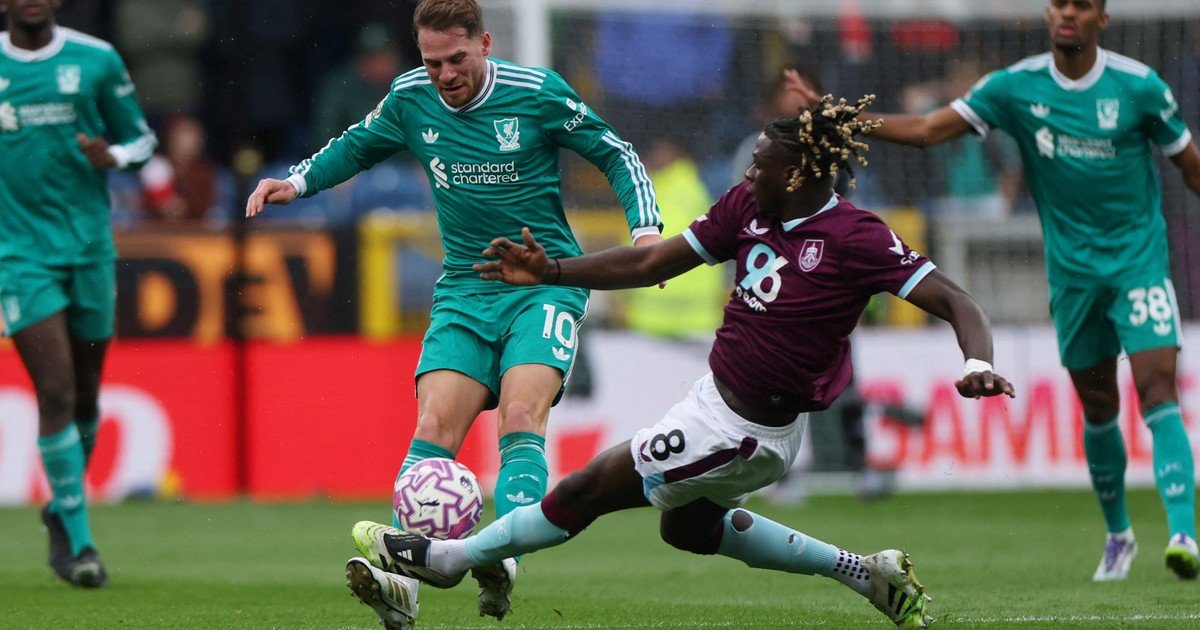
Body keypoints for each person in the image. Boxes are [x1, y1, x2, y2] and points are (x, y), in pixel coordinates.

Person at [348, 94, 1016, 629]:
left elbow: (957, 300)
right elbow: (648, 261)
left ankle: (449, 559)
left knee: (590, 488)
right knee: (688, 528)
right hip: (716, 404)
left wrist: (975, 361)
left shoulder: (856, 236)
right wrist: (553, 268)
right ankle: (867, 573)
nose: (748, 172)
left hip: (745, 432)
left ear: (803, 172)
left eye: (762, 162)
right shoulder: (749, 207)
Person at [244, 0, 662, 627]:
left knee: (521, 414)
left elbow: (615, 153)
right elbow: (357, 146)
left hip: (543, 285)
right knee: (434, 429)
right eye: (432, 61)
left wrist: (646, 232)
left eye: (457, 59)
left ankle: (506, 558)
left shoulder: (536, 93)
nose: (444, 74)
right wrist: (297, 183)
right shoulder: (412, 97)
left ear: (485, 43)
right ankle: (403, 582)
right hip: (465, 289)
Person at [790, 0, 1200, 582]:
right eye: (1059, 3)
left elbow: (1190, 167)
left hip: (1139, 267)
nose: (1067, 14)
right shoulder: (1015, 87)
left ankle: (1183, 533)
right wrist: (847, 121)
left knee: (1158, 391)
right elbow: (931, 129)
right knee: (1100, 405)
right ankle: (1118, 534)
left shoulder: (1141, 88)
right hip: (1073, 278)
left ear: (1101, 18)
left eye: (1082, 5)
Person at [0, 0, 157, 587]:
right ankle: (79, 543)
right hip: (19, 256)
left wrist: (113, 155)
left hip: (90, 248)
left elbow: (140, 138)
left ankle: (60, 510)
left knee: (88, 393)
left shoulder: (95, 59)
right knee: (57, 387)